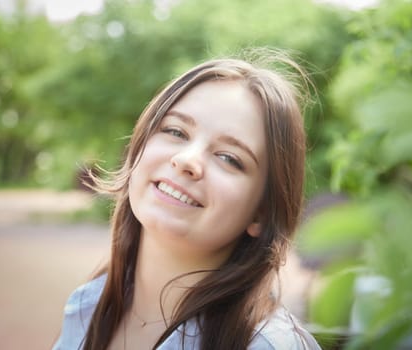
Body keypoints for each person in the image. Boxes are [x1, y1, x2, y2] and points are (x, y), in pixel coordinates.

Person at [53, 49, 321, 350]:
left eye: (229, 158)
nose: (187, 160)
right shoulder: (88, 305)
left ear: (260, 213)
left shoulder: (267, 345)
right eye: (176, 131)